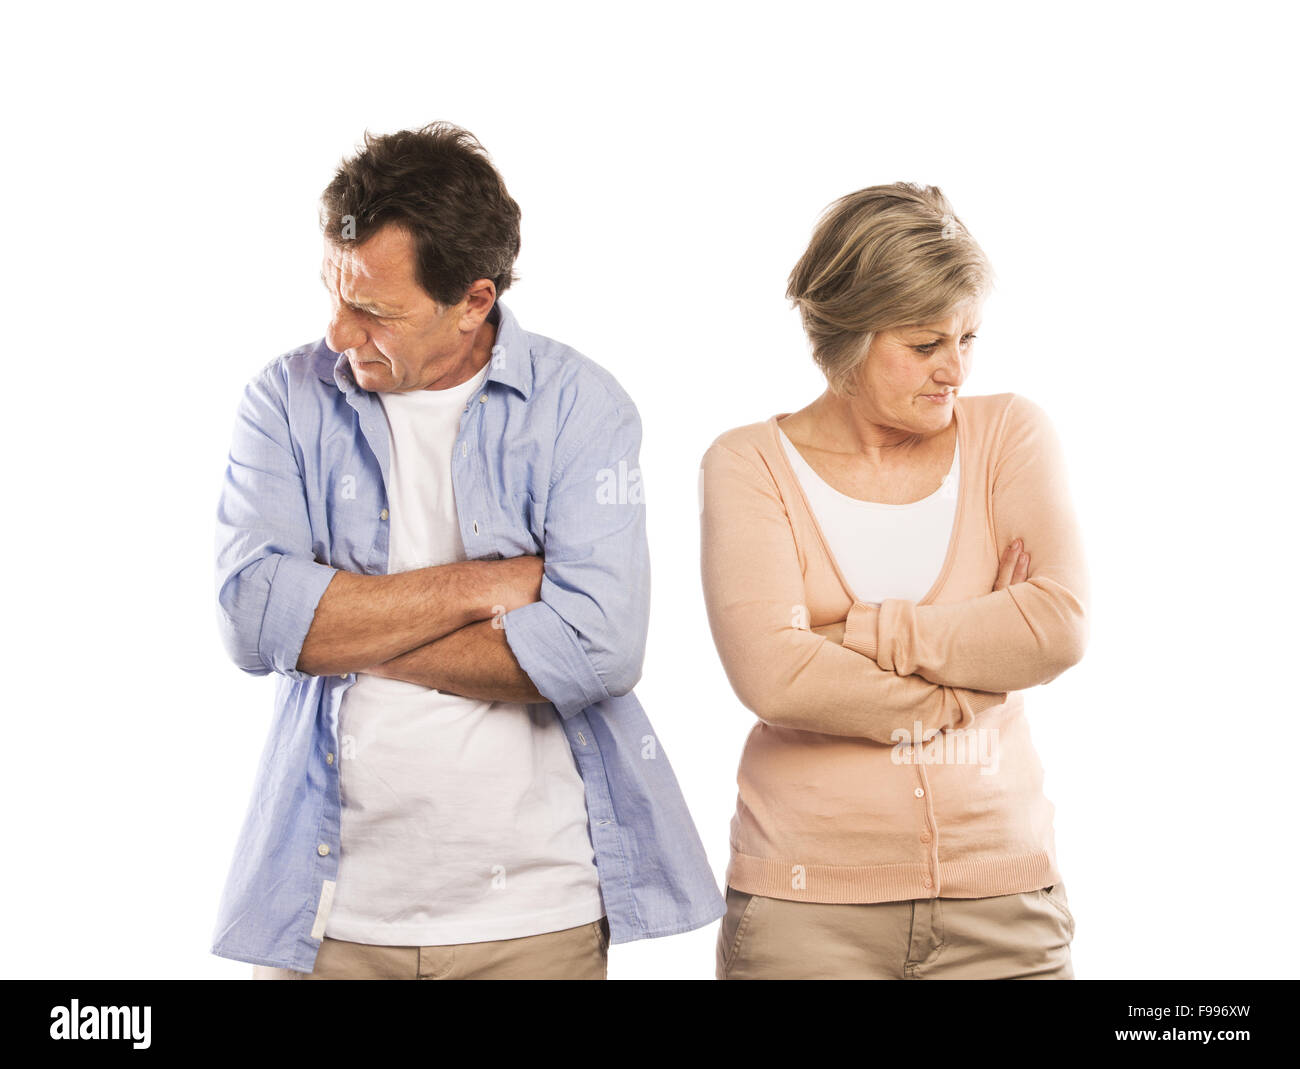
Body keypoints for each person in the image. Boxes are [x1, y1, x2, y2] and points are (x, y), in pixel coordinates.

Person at [212, 122, 723, 980]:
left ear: (474, 301)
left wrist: (344, 629)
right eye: (334, 294)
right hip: (325, 913)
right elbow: (254, 621)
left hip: (536, 915)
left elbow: (599, 648)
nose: (338, 332)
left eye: (374, 310)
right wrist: (482, 586)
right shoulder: (283, 399)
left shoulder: (580, 407)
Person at [699, 183, 1090, 979]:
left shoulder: (1009, 433)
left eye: (969, 337)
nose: (955, 369)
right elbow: (776, 676)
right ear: (843, 339)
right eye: (924, 345)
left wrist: (865, 634)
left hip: (1004, 900)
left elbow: (1056, 625)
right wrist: (976, 679)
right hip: (807, 915)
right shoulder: (746, 464)